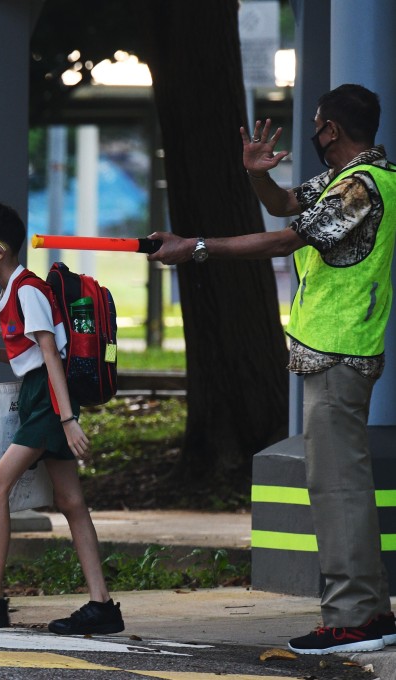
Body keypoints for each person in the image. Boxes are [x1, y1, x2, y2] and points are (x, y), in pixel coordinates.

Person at [148, 83, 396, 655]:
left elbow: (287, 239)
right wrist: (257, 174)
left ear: (330, 129)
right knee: (343, 485)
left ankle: (353, 618)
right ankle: (372, 611)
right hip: (334, 350)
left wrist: (197, 248)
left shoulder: (361, 188)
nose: (313, 131)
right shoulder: (349, 181)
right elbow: (285, 204)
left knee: (337, 488)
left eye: (316, 123)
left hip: (339, 352)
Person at [0, 201, 124, 634]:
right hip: (43, 395)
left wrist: (66, 418)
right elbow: (27, 355)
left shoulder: (27, 291)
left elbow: (50, 357)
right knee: (72, 503)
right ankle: (102, 605)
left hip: (47, 401)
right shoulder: (14, 293)